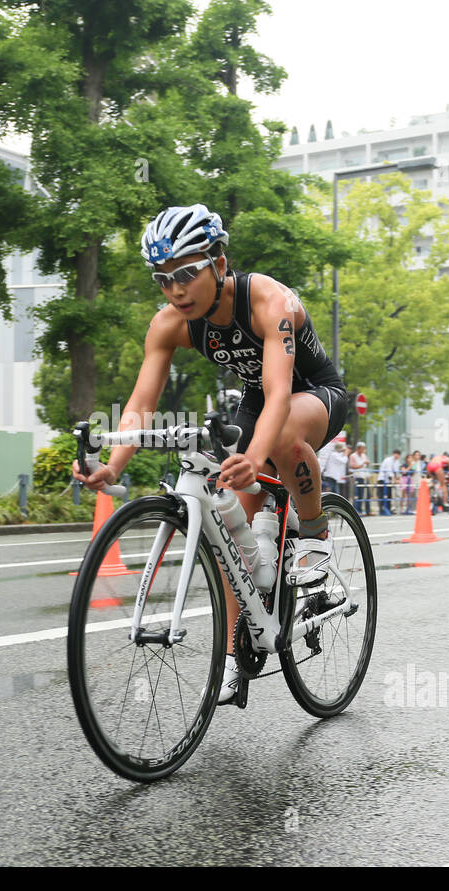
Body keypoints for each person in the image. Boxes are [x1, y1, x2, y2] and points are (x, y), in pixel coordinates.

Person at [72, 204, 348, 703]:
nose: (175, 289)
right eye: (162, 279)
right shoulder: (169, 324)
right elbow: (139, 405)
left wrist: (255, 453)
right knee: (227, 532)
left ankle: (313, 537)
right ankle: (230, 660)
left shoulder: (270, 301)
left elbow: (280, 393)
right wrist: (111, 464)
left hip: (312, 393)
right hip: (257, 402)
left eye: (185, 273)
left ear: (219, 263)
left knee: (280, 436)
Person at [348, 441, 371, 515]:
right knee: (358, 494)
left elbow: (367, 463)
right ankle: (358, 510)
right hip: (358, 477)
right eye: (362, 448)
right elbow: (352, 466)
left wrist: (367, 463)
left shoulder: (364, 455)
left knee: (367, 494)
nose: (364, 450)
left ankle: (368, 510)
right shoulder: (353, 456)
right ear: (358, 448)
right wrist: (362, 464)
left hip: (365, 476)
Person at [378, 449, 401, 515]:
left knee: (389, 495)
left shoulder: (396, 461)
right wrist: (395, 480)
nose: (397, 456)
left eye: (398, 454)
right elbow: (389, 472)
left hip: (389, 481)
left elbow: (396, 471)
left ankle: (388, 509)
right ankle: (382, 510)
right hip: (383, 479)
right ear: (393, 454)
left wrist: (397, 479)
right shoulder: (388, 460)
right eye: (396, 454)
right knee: (383, 495)